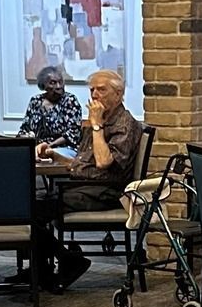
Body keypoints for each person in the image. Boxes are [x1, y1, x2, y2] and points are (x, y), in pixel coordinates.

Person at [32, 70, 143, 291]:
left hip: (106, 191)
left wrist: (96, 126)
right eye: (92, 90)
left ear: (119, 94)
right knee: (30, 203)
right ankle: (42, 269)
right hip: (84, 185)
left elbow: (103, 163)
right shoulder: (100, 120)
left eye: (101, 90)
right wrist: (53, 155)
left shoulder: (124, 124)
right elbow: (81, 163)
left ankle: (67, 261)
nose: (94, 95)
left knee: (33, 209)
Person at [19, 65, 83, 149]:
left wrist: (49, 146)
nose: (58, 86)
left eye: (60, 82)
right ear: (43, 85)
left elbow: (73, 133)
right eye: (53, 83)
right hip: (37, 147)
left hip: (62, 148)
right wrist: (26, 138)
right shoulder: (35, 101)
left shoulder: (70, 101)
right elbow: (25, 128)